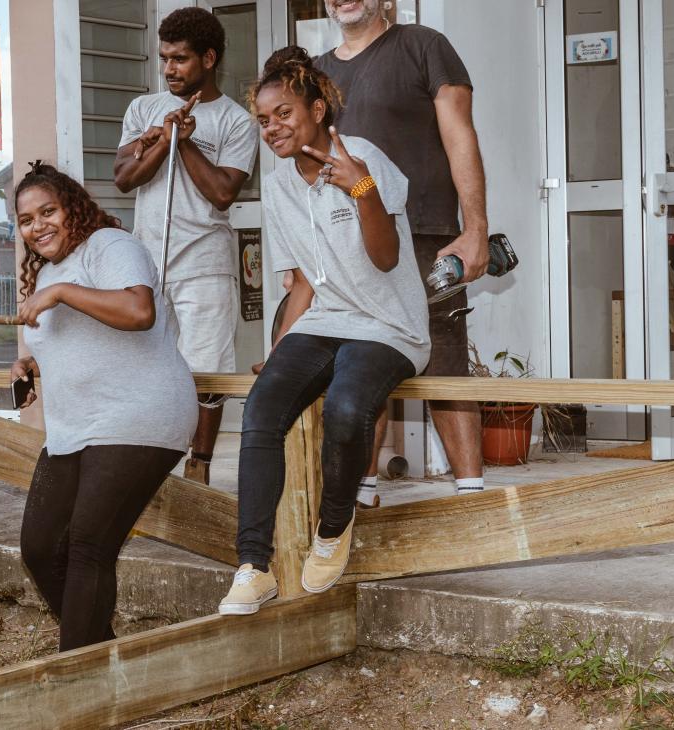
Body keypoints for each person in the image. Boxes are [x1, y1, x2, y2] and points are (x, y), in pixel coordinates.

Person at [220, 47, 429, 614]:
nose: (272, 128)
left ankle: (333, 530)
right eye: (263, 120)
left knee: (345, 407)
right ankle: (253, 566)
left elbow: (386, 260)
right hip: (327, 320)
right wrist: (282, 348)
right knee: (262, 408)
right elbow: (305, 285)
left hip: (389, 326)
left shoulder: (361, 157)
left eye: (284, 114)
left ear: (317, 109)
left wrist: (361, 190)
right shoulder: (281, 185)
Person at [10, 163, 196, 651]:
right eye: (27, 220)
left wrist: (61, 293)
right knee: (40, 548)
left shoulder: (111, 246)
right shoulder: (47, 272)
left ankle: (75, 675)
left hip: (139, 416)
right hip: (76, 427)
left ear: (73, 207)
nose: (38, 226)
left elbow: (138, 311)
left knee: (89, 546)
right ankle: (100, 654)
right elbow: (73, 341)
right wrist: (27, 361)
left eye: (48, 211)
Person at [313, 0, 490, 503]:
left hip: (426, 234)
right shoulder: (317, 72)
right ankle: (360, 497)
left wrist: (475, 227)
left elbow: (461, 138)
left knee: (446, 361)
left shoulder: (425, 46)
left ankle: (472, 500)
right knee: (360, 363)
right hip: (350, 241)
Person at [113, 6, 257, 484]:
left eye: (180, 59)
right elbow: (123, 179)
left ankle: (200, 466)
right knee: (148, 365)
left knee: (206, 372)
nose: (169, 69)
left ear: (209, 58)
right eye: (164, 59)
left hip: (205, 263)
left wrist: (185, 143)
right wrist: (159, 140)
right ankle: (152, 463)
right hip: (147, 262)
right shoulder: (142, 109)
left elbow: (222, 193)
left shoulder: (237, 121)